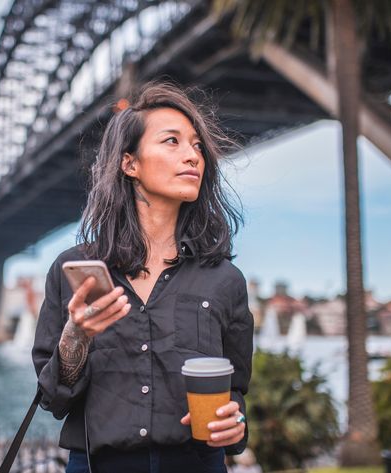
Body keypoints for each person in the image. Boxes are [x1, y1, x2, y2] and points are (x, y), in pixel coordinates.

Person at [32, 81, 253, 473]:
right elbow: (54, 399)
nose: (193, 156)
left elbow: (234, 394)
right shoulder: (74, 272)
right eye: (172, 142)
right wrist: (76, 337)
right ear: (130, 163)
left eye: (197, 146)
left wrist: (235, 425)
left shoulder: (225, 280)